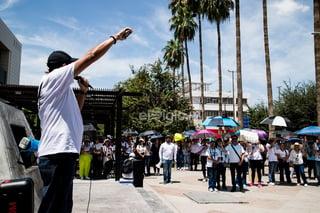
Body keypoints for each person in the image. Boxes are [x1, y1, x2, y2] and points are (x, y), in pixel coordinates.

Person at [37, 27, 132, 213]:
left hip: (62, 152)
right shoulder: (54, 78)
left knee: (62, 206)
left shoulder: (60, 90)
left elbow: (75, 112)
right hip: (58, 153)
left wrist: (82, 92)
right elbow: (91, 55)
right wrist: (114, 38)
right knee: (54, 206)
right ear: (63, 67)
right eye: (71, 66)